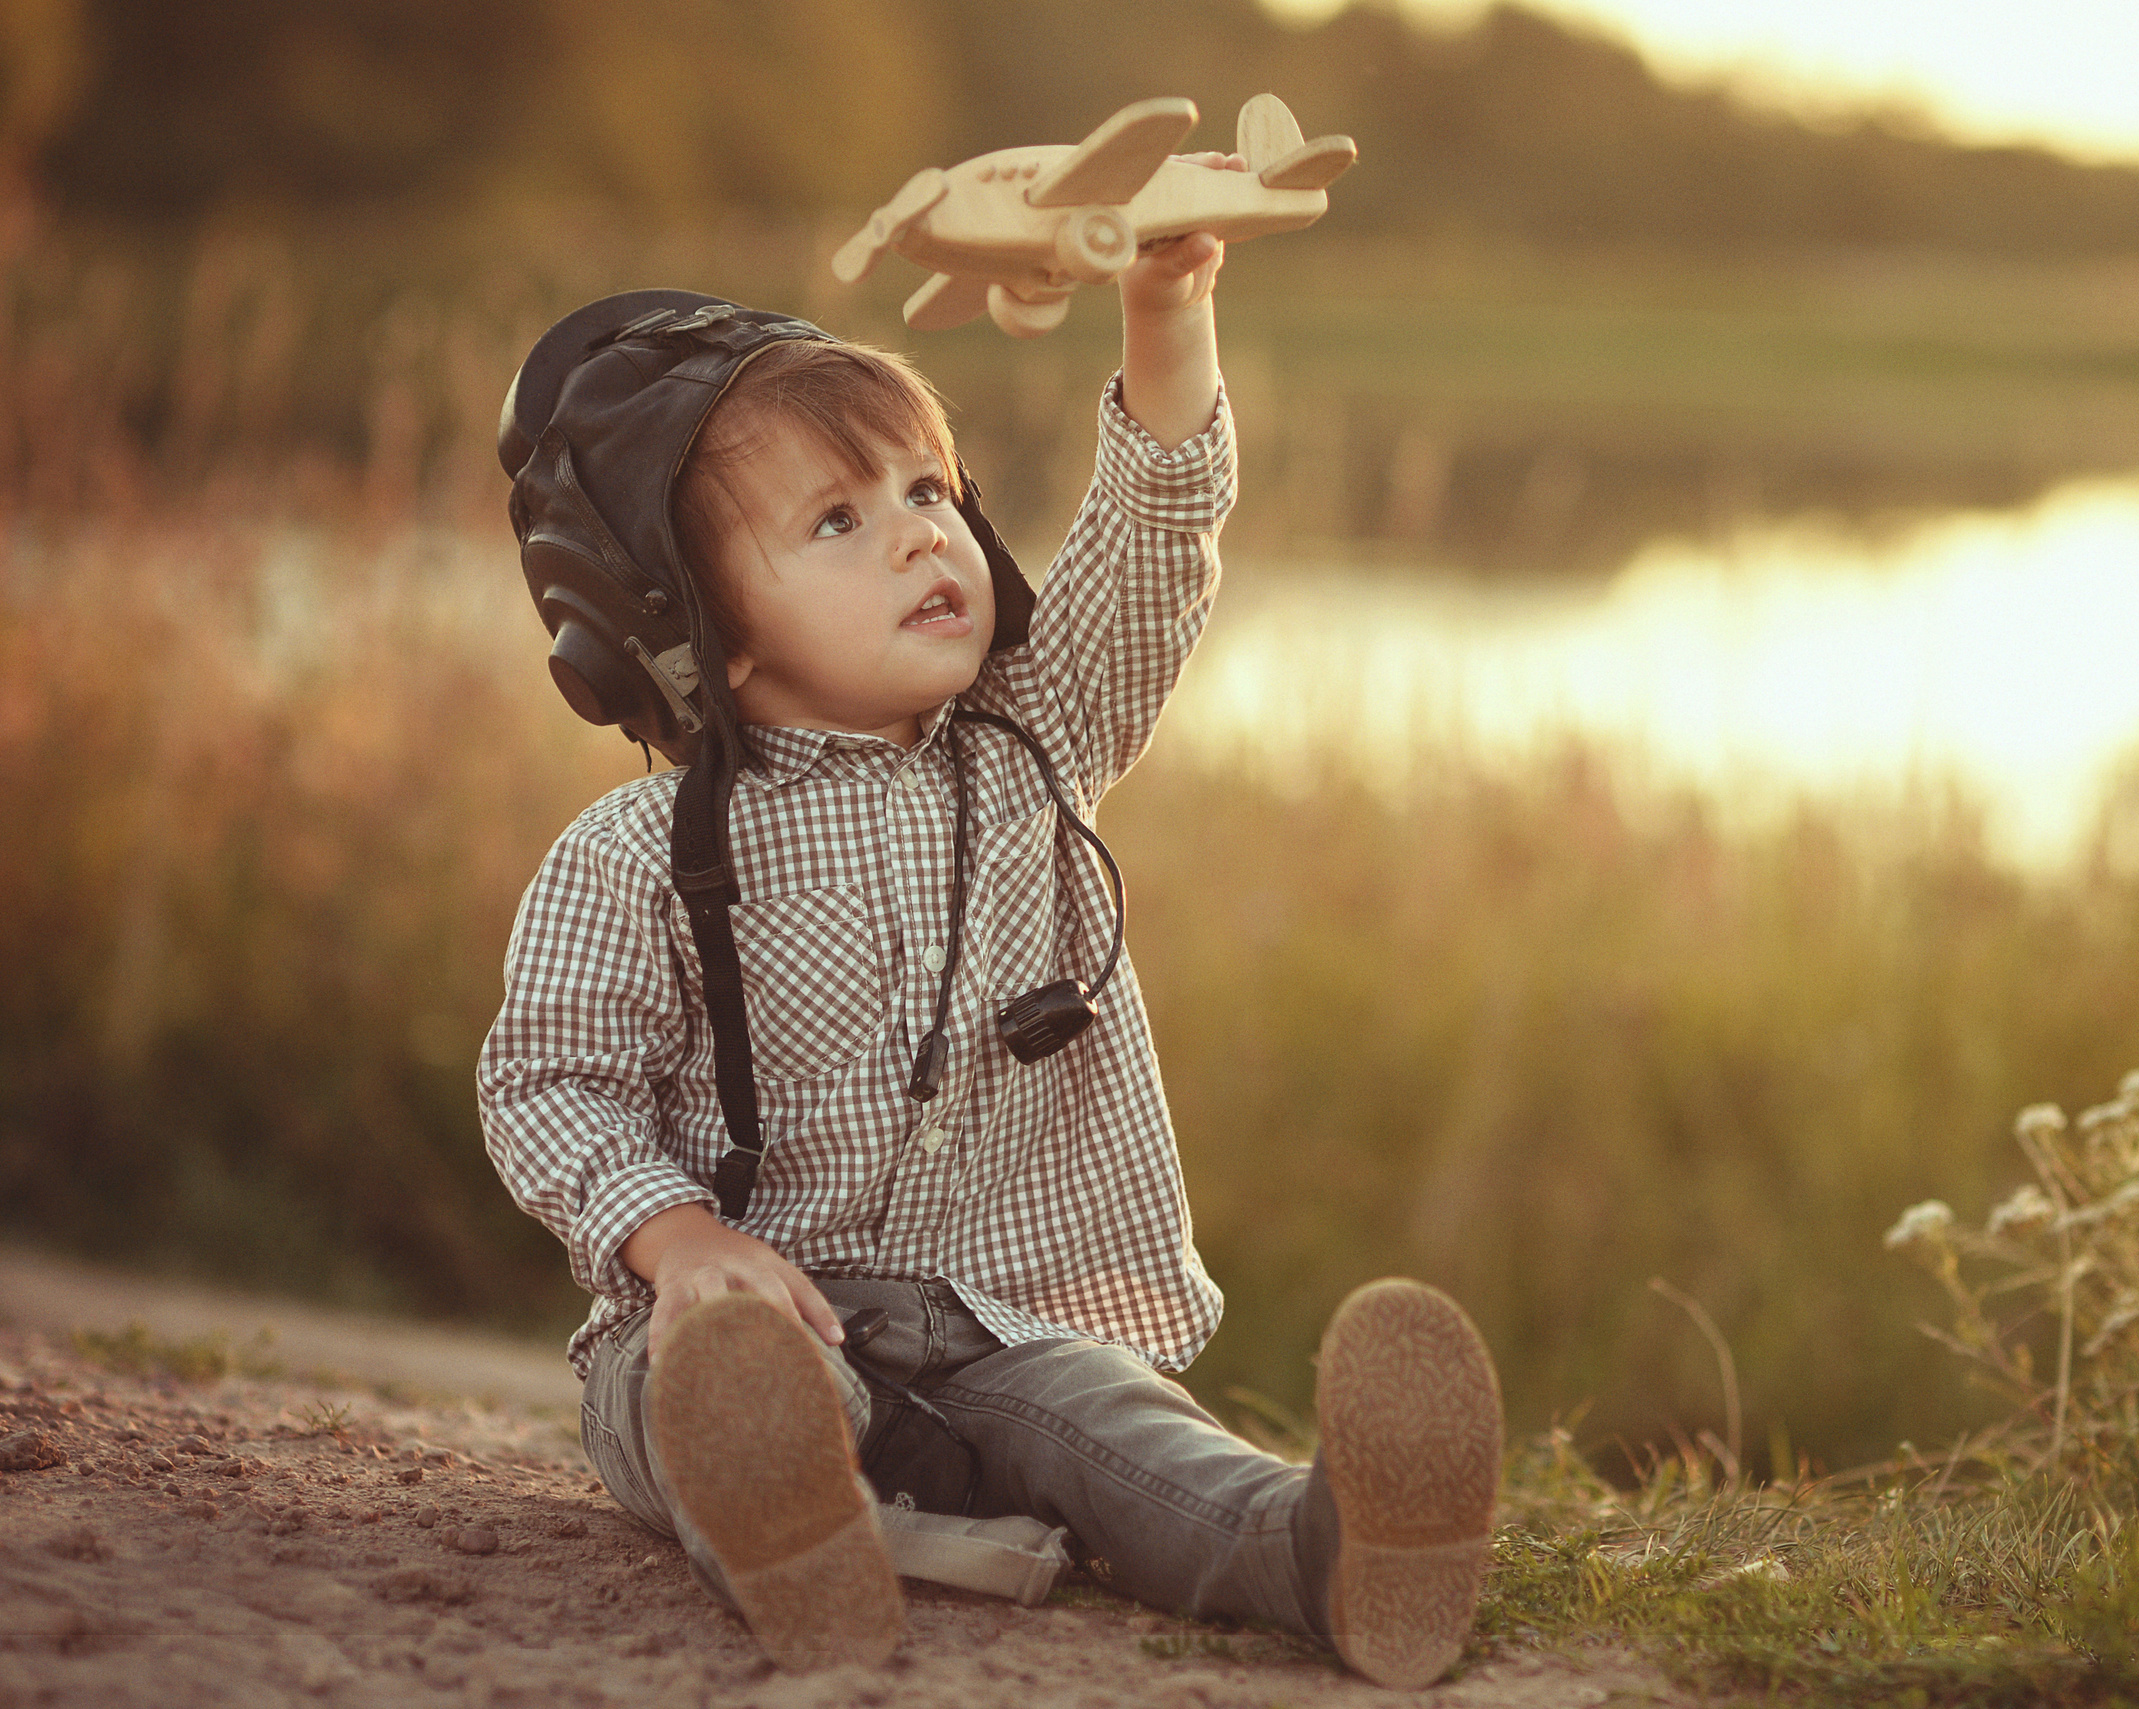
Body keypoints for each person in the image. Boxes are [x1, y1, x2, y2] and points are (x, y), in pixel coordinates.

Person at [477, 192, 1503, 1690]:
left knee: (1132, 1438)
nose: (917, 537)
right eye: (840, 520)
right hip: (752, 1315)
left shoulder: (1035, 740)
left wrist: (1167, 311)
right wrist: (679, 1240)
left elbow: (1153, 541)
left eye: (928, 492)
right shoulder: (640, 854)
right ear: (704, 627)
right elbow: (550, 1083)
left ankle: (1331, 1553)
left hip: (999, 1326)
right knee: (700, 1388)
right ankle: (795, 1521)